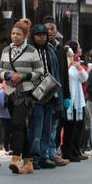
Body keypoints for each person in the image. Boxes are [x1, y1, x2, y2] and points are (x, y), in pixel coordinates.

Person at [0, 18, 44, 174]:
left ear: (25, 36)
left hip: (25, 93)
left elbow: (40, 73)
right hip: (10, 92)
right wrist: (10, 75)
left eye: (18, 34)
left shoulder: (32, 51)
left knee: (17, 124)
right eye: (13, 33)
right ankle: (28, 161)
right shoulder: (6, 51)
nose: (15, 36)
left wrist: (23, 76)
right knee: (21, 128)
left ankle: (15, 158)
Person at [29, 24, 60, 169]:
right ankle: (34, 157)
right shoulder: (29, 51)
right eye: (38, 34)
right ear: (33, 36)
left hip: (50, 94)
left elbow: (57, 73)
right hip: (35, 95)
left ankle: (44, 155)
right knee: (36, 128)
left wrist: (60, 97)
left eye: (44, 35)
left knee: (47, 128)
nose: (41, 37)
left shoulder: (51, 51)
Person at [44, 17, 71, 166]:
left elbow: (64, 75)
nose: (50, 32)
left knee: (56, 124)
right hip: (45, 92)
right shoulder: (39, 48)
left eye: (53, 29)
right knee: (46, 125)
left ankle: (53, 152)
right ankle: (45, 153)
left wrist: (67, 95)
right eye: (47, 29)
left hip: (59, 92)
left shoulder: (61, 49)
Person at [62, 41, 88, 163]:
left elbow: (84, 78)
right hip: (68, 100)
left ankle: (75, 150)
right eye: (78, 48)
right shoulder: (65, 65)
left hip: (78, 101)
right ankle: (67, 152)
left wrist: (78, 67)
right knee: (69, 128)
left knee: (78, 128)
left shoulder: (76, 65)